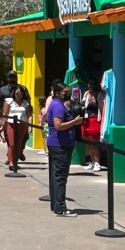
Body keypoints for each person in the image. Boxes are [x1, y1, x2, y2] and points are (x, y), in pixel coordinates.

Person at [46, 83, 83, 217]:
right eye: (64, 92)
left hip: (60, 144)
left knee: (57, 175)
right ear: (57, 93)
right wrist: (75, 122)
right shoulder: (57, 107)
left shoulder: (58, 105)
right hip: (59, 145)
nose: (67, 94)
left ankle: (57, 206)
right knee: (60, 176)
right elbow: (58, 125)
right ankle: (61, 207)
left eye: (68, 92)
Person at [2, 85, 30, 172]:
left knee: (19, 144)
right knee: (12, 143)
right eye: (17, 93)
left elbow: (29, 115)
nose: (19, 95)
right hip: (11, 124)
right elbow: (5, 113)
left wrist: (29, 126)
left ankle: (15, 161)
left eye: (20, 94)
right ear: (14, 93)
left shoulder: (26, 103)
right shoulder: (9, 102)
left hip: (22, 124)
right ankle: (10, 161)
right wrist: (3, 124)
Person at [81, 79, 103, 172]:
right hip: (86, 120)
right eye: (89, 84)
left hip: (95, 119)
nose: (91, 86)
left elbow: (102, 108)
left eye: (93, 84)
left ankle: (97, 162)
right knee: (88, 142)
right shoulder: (86, 94)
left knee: (95, 142)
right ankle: (92, 161)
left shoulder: (99, 95)